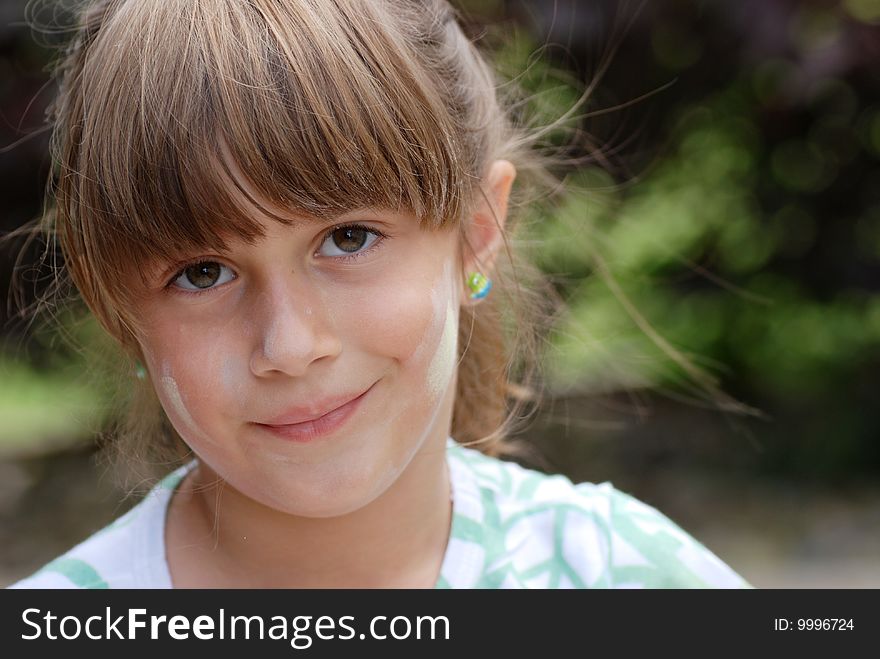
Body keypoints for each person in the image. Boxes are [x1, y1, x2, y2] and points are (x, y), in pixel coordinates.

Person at [9, 0, 749, 589]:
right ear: (118, 310)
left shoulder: (624, 580)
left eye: (349, 238)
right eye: (203, 273)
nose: (291, 346)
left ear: (478, 230)